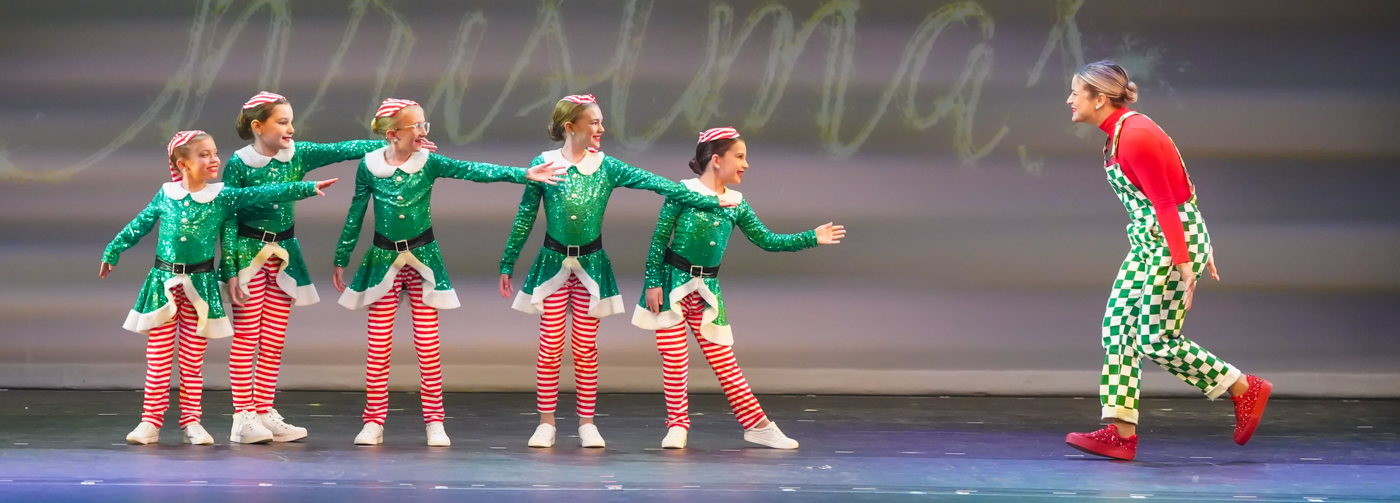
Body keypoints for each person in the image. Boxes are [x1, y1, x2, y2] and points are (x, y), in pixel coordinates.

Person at [497, 95, 735, 449]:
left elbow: (656, 183)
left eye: (601, 122)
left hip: (591, 267)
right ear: (570, 127)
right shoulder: (544, 164)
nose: (601, 129)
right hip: (552, 265)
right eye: (594, 122)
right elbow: (525, 214)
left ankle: (587, 423)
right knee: (549, 347)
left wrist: (708, 199)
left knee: (585, 348)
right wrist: (508, 261)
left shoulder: (606, 166)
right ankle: (546, 422)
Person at [1062, 60, 1271, 461]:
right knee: (1117, 329)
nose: (1070, 100)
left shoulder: (1135, 135)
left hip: (1170, 240)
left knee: (1155, 339)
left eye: (1075, 93)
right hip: (1149, 241)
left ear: (1099, 99)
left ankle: (1244, 388)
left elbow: (1166, 202)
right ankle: (1120, 433)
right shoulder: (1118, 134)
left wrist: (1186, 258)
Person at [332, 98, 564, 447]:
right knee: (378, 348)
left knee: (428, 348)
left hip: (423, 262)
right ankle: (374, 421)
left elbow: (473, 170)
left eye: (424, 124)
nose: (424, 132)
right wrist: (342, 255)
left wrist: (523, 174)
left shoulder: (428, 163)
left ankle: (435, 421)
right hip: (382, 262)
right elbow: (355, 212)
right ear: (393, 134)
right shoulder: (369, 167)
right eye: (417, 126)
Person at [219, 92, 433, 444]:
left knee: (273, 339)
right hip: (248, 254)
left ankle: (264, 411)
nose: (291, 128)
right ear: (258, 126)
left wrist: (395, 142)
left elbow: (343, 149)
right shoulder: (239, 164)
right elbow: (227, 216)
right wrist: (229, 268)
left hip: (284, 254)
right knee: (247, 338)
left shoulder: (297, 154)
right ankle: (243, 416)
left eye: (291, 120)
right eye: (282, 122)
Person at [101, 130, 336, 445]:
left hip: (200, 287)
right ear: (182, 164)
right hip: (163, 285)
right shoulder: (166, 194)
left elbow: (261, 193)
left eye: (214, 153)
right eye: (204, 155)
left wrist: (306, 187)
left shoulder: (222, 196)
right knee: (157, 360)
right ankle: (150, 422)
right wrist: (112, 251)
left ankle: (192, 422)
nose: (214, 160)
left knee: (192, 361)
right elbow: (139, 224)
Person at [631, 127, 845, 450]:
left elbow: (767, 240)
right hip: (672, 285)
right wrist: (652, 282)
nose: (746, 164)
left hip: (707, 292)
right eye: (740, 157)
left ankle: (757, 425)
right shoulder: (682, 192)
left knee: (724, 362)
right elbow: (660, 239)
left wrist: (811, 237)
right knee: (674, 359)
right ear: (717, 160)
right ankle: (677, 426)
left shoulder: (736, 204)